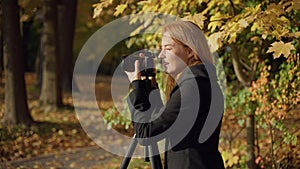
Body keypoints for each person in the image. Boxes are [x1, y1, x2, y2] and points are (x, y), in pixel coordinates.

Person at [125, 20, 225, 169]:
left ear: (190, 51)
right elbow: (163, 121)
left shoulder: (193, 87)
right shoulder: (202, 82)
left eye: (168, 48)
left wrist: (137, 87)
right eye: (161, 49)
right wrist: (151, 87)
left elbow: (146, 133)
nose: (160, 55)